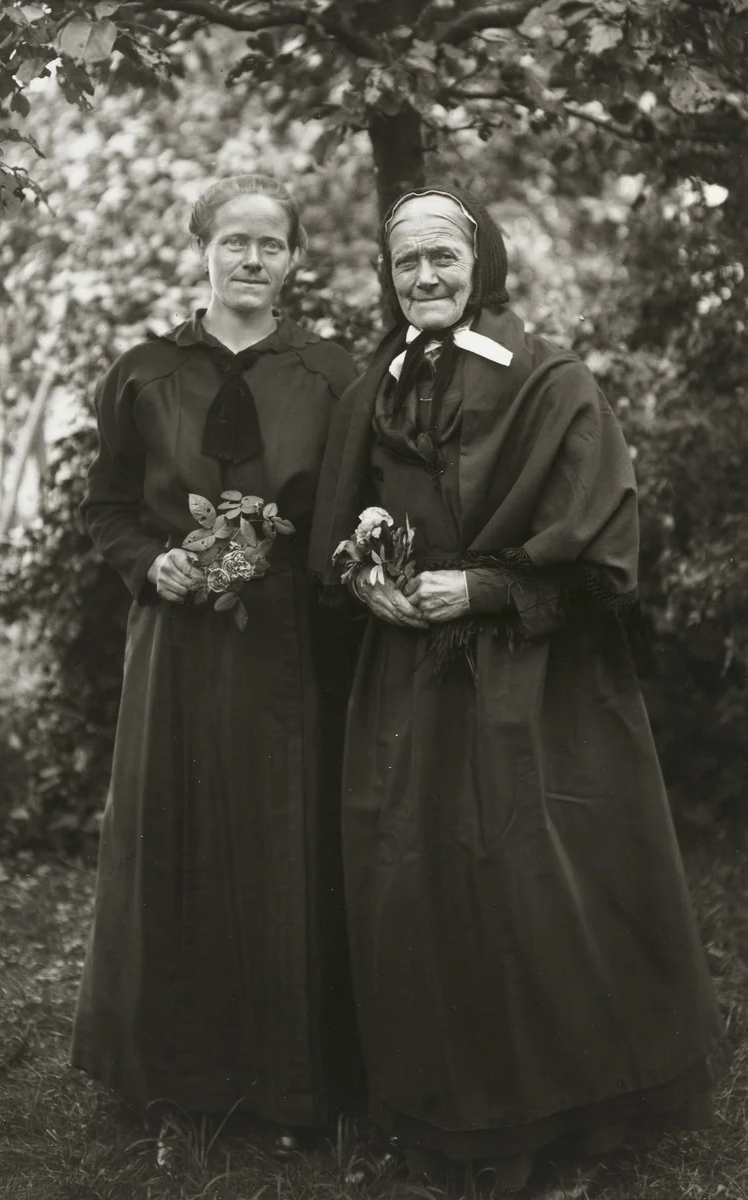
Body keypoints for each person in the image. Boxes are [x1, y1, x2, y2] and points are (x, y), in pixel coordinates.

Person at [308, 186, 724, 1192]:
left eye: (444, 258)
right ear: (388, 273)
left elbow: (606, 560)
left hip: (533, 690)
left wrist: (483, 587)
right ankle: (448, 1115)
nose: (427, 279)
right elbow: (343, 521)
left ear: (480, 262)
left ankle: (564, 1120)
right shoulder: (379, 384)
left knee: (529, 890)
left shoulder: (551, 379)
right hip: (411, 680)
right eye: (408, 263)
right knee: (423, 891)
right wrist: (368, 576)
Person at [71, 174, 359, 1141]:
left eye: (268, 244)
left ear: (292, 261)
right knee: (179, 830)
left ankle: (290, 1088)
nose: (249, 259)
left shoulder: (328, 373)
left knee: (284, 834)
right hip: (176, 643)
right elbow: (106, 508)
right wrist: (153, 564)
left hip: (287, 647)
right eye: (231, 241)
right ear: (200, 249)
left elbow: (350, 508)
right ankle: (174, 1080)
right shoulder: (146, 373)